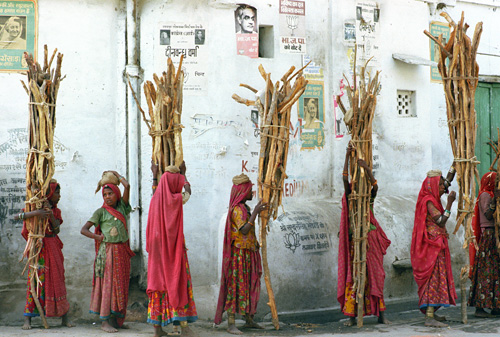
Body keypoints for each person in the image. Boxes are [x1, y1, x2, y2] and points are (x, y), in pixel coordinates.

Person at [337, 144, 391, 326]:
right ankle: (352, 316)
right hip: (356, 242)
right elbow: (344, 180)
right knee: (355, 276)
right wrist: (347, 156)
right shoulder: (351, 197)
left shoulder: (369, 197)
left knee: (375, 276)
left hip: (371, 241)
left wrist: (367, 169)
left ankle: (381, 315)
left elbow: (375, 187)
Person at [147, 162, 198, 337]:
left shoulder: (155, 200)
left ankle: (157, 329)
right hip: (174, 253)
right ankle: (184, 328)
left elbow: (156, 190)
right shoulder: (177, 200)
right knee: (178, 283)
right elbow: (187, 193)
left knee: (159, 287)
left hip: (157, 256)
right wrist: (184, 175)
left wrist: (155, 175)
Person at [80, 171, 134, 333]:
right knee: (108, 285)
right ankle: (104, 322)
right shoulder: (101, 212)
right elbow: (84, 230)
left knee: (121, 285)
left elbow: (127, 186)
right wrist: (98, 237)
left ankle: (117, 320)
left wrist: (116, 175)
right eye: (105, 194)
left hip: (122, 252)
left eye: (110, 193)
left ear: (117, 194)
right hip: (108, 253)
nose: (107, 197)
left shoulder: (123, 208)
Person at [214, 173, 267, 335]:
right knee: (236, 286)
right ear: (243, 191)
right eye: (250, 190)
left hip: (248, 253)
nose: (252, 193)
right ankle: (231, 323)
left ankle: (249, 320)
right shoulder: (238, 210)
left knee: (249, 285)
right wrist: (256, 212)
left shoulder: (244, 208)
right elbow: (244, 230)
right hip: (239, 255)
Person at [17, 179, 72, 330]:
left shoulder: (56, 211)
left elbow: (56, 229)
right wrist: (36, 213)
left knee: (57, 280)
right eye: (57, 192)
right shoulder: (33, 206)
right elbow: (18, 216)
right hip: (38, 249)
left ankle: (64, 316)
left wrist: (49, 215)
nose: (59, 196)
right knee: (35, 281)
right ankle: (28, 319)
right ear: (49, 194)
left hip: (52, 246)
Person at [411, 167, 457, 327]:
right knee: (433, 279)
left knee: (439, 278)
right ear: (434, 186)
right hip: (432, 247)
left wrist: (455, 166)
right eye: (442, 185)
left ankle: (433, 313)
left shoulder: (433, 197)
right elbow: (440, 221)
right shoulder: (429, 201)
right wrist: (450, 204)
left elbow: (448, 181)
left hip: (438, 245)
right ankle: (429, 317)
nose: (445, 188)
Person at [468, 172, 500, 317]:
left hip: (494, 235)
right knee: (487, 271)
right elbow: (488, 215)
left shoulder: (491, 195)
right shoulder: (485, 195)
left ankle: (495, 306)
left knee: (494, 271)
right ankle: (480, 307)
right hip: (489, 235)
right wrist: (495, 201)